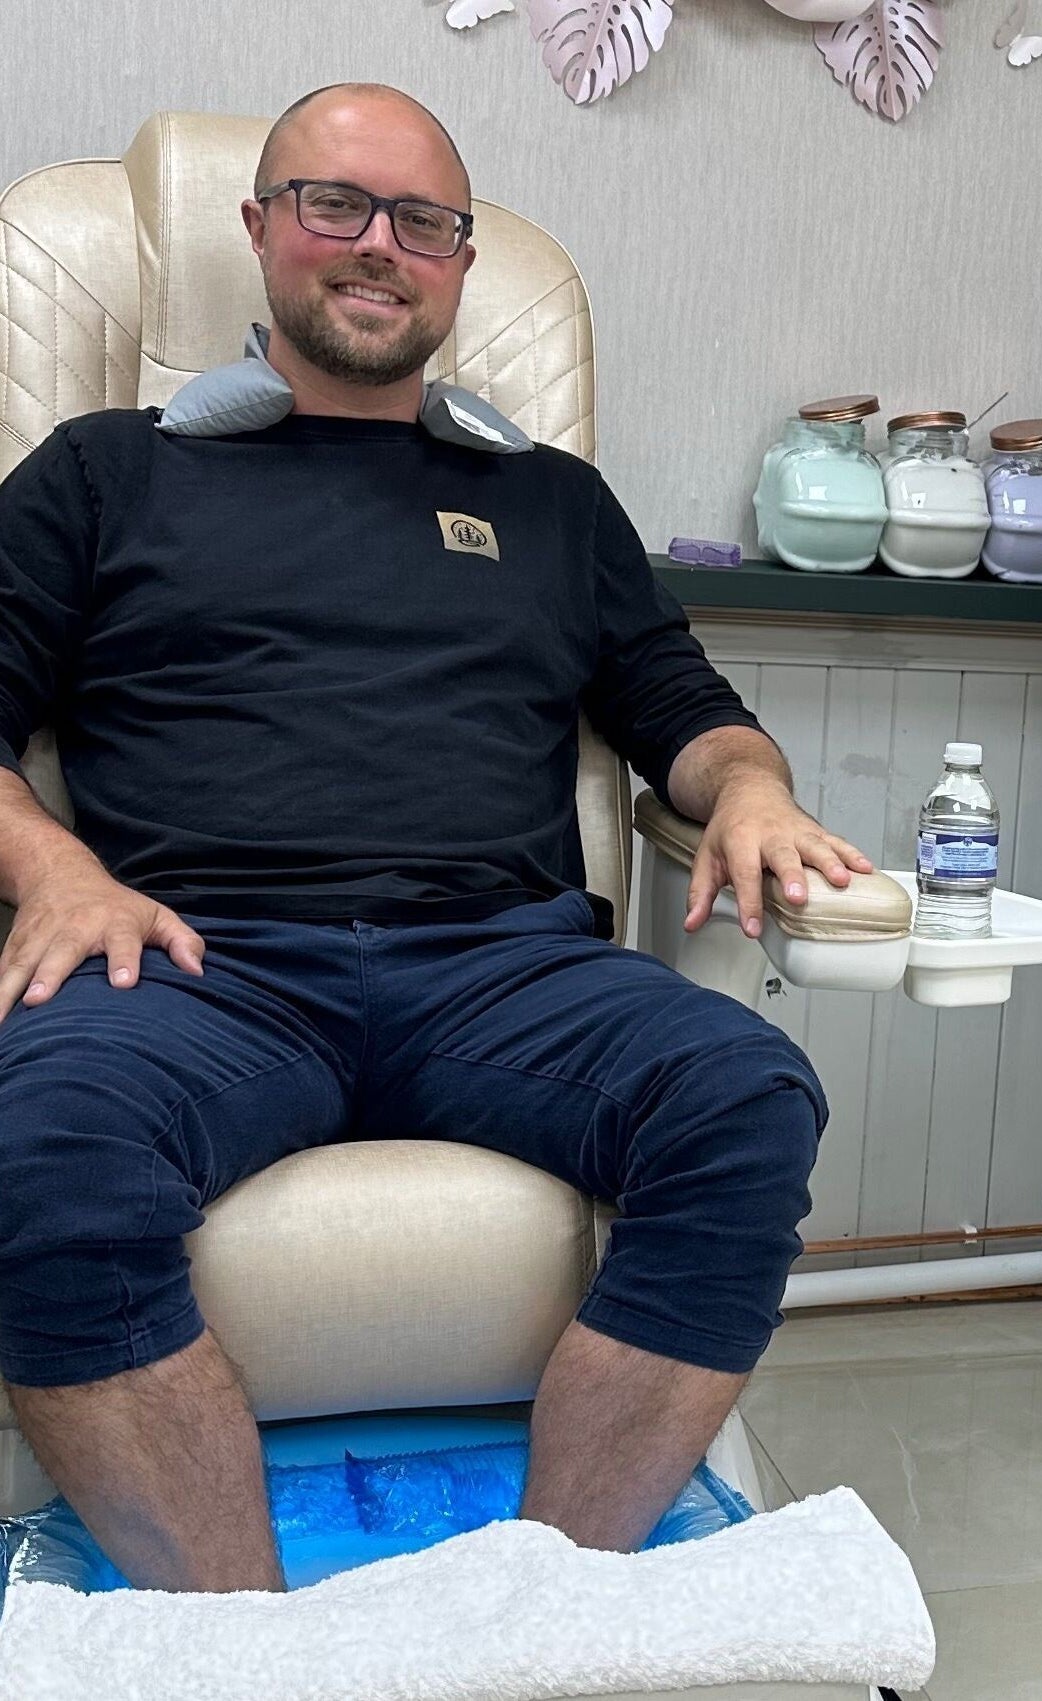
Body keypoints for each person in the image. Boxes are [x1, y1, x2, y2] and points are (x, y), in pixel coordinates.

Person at [0, 84, 873, 1591]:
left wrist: (747, 789)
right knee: (42, 1147)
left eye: (423, 222)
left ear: (460, 264)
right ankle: (245, 1653)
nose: (378, 246)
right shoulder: (103, 471)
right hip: (206, 963)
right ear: (259, 228)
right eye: (334, 204)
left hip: (501, 971)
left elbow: (688, 712)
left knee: (744, 1095)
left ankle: (543, 1604)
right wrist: (56, 869)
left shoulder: (552, 505)